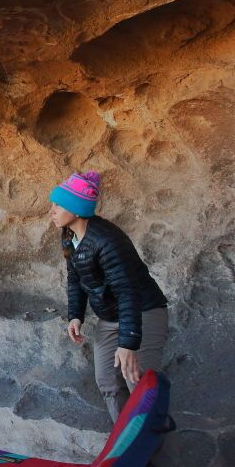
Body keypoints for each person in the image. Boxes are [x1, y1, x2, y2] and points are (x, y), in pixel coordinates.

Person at [49, 171, 169, 423]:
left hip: (142, 311)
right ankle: (124, 444)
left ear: (78, 209)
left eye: (59, 204)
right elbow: (75, 278)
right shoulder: (69, 235)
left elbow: (128, 292)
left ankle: (154, 450)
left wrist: (128, 344)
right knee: (107, 382)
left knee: (138, 382)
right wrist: (76, 316)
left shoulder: (107, 240)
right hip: (111, 316)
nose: (52, 210)